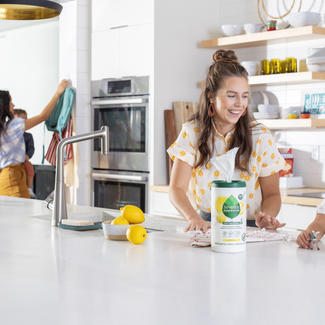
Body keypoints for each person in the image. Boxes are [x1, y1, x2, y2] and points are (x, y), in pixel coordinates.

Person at [167, 49, 289, 233]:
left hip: (251, 229)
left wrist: (267, 216)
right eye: (231, 95)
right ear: (211, 95)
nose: (239, 104)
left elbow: (272, 194)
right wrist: (194, 219)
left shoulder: (261, 136)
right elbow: (176, 189)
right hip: (206, 226)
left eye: (245, 96)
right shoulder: (192, 133)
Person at [0, 80, 70, 198]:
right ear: (4, 105)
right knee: (20, 213)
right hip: (13, 179)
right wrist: (57, 94)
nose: (13, 104)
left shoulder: (4, 128)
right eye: (11, 101)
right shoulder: (14, 125)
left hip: (5, 178)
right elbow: (43, 116)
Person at [13, 109, 36, 198]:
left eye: (25, 119)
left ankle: (29, 188)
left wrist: (27, 156)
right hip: (11, 160)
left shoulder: (28, 136)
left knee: (29, 167)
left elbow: (31, 148)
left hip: (23, 159)